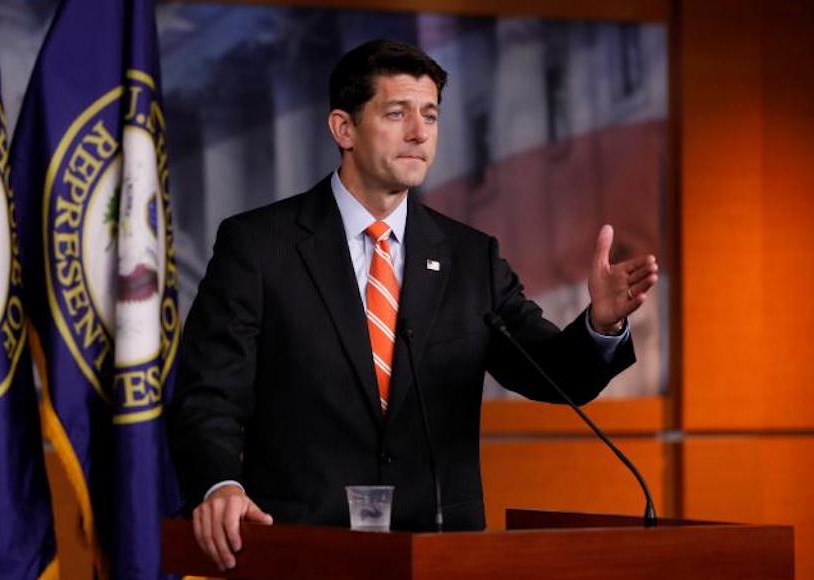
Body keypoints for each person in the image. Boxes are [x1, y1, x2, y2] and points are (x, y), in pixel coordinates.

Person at [165, 39, 659, 571]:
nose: (420, 133)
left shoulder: (472, 258)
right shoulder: (260, 246)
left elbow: (554, 374)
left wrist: (601, 325)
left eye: (430, 115)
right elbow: (209, 396)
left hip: (439, 550)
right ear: (344, 129)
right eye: (396, 113)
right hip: (300, 547)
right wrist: (220, 483)